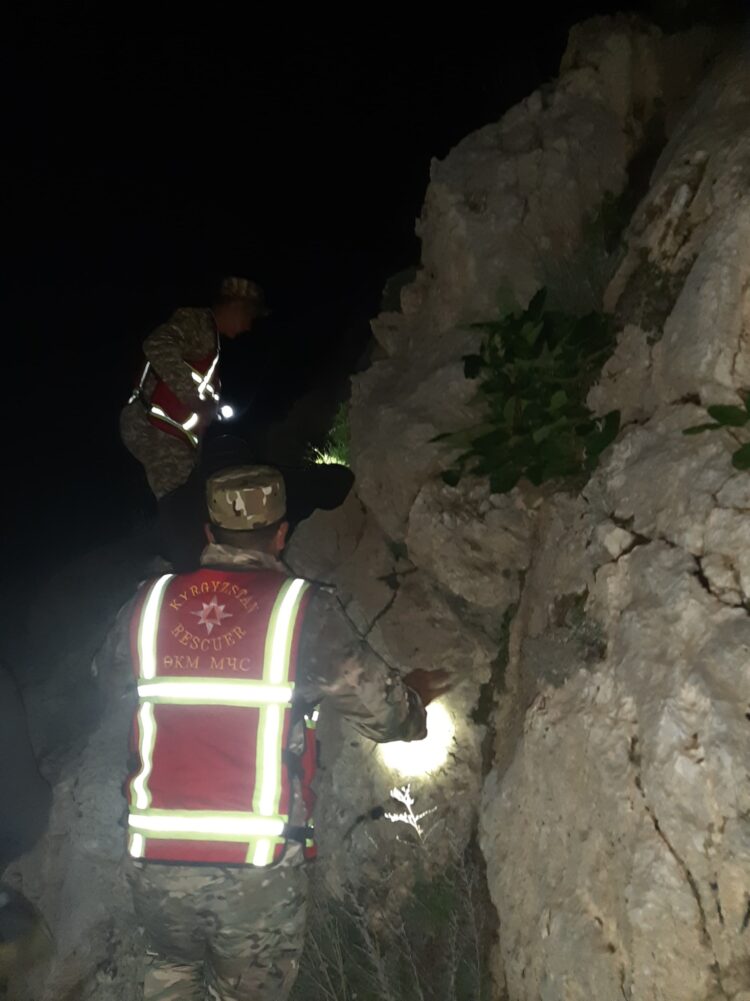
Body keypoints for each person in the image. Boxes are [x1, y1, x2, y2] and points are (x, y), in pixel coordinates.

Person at [99, 465, 449, 1001]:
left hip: (156, 859)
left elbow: (106, 677)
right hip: (255, 868)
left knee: (170, 975)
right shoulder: (300, 611)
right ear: (281, 533)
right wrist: (415, 700)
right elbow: (385, 716)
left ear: (209, 532)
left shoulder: (148, 603)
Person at [120, 277, 268, 569]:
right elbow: (156, 344)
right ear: (235, 307)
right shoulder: (197, 322)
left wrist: (208, 409)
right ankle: (187, 574)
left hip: (172, 435)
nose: (248, 327)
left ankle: (184, 564)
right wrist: (195, 400)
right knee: (178, 505)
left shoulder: (210, 340)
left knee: (184, 501)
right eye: (249, 316)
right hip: (156, 429)